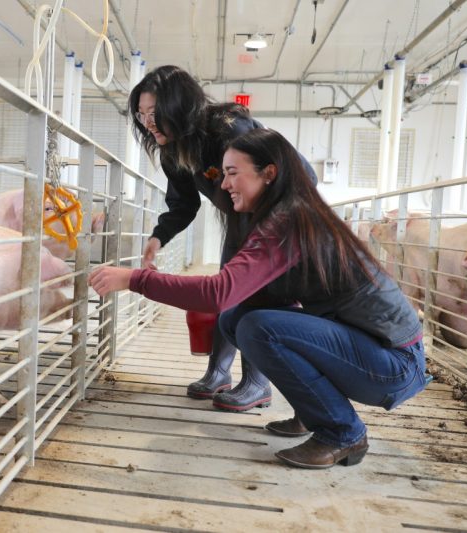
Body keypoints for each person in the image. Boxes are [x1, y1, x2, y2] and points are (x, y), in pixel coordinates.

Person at [89, 128, 428, 469]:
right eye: (222, 174)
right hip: (373, 354)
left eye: (233, 173)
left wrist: (135, 279)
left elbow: (219, 292)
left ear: (269, 173)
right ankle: (315, 413)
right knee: (237, 319)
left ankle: (343, 432)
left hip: (394, 365)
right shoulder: (285, 214)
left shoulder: (290, 220)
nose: (223, 185)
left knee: (256, 327)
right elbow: (240, 297)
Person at [129, 65, 316, 411]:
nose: (147, 123)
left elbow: (288, 177)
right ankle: (218, 372)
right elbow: (183, 203)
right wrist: (159, 237)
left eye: (154, 113)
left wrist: (262, 236)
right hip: (241, 217)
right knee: (228, 289)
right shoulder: (174, 148)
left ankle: (258, 382)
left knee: (257, 291)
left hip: (280, 212)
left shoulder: (230, 130)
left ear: (179, 106)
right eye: (141, 115)